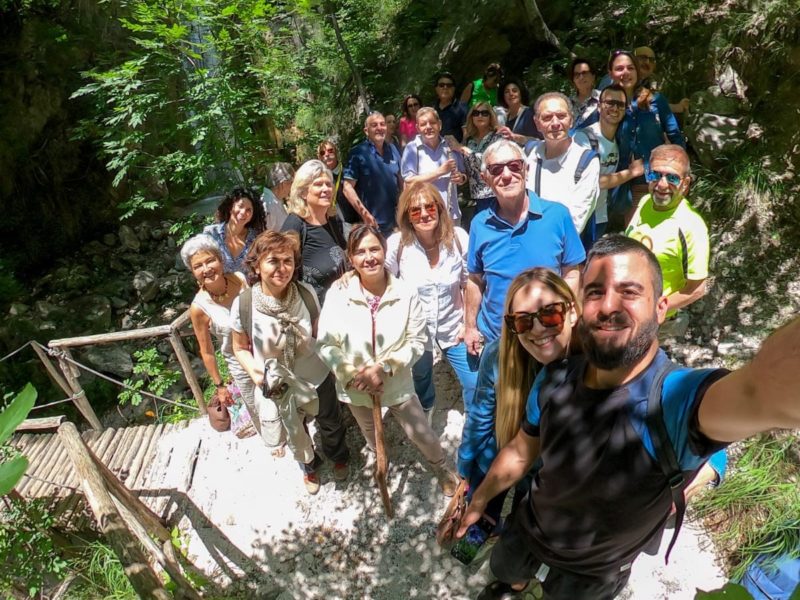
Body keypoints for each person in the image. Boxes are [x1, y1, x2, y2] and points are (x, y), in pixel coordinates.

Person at [462, 234, 800, 600]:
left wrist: (705, 473)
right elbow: (520, 450)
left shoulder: (672, 398)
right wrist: (478, 500)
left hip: (593, 570)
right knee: (505, 575)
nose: (608, 305)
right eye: (594, 291)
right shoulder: (555, 376)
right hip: (529, 530)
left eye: (629, 291)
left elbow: (759, 390)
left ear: (661, 307)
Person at [316, 225, 459, 496]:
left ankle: (439, 466)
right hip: (355, 386)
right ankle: (381, 458)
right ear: (350, 258)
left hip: (396, 383)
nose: (369, 257)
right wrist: (350, 374)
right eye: (360, 252)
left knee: (421, 432)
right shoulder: (338, 293)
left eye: (374, 249)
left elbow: (417, 341)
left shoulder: (404, 293)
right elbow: (326, 343)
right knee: (370, 430)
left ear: (385, 251)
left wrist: (385, 368)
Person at [458, 267, 579, 526]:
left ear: (572, 312)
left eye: (549, 315)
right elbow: (480, 417)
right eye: (523, 321)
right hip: (505, 459)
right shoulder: (498, 355)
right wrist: (465, 466)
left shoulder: (595, 368)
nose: (536, 329)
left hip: (547, 480)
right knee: (485, 529)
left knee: (518, 527)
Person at [232, 231, 350, 495]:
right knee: (295, 428)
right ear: (257, 265)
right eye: (273, 260)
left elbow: (320, 332)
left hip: (316, 375)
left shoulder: (305, 293)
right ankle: (309, 466)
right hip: (279, 385)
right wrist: (256, 374)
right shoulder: (245, 304)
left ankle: (338, 454)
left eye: (288, 261)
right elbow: (239, 348)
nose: (281, 268)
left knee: (330, 420)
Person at [464, 138, 585, 352]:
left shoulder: (557, 215)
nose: (507, 175)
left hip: (547, 334)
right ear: (485, 178)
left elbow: (572, 272)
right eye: (496, 169)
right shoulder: (479, 224)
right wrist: (470, 327)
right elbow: (474, 280)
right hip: (498, 340)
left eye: (514, 166)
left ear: (526, 169)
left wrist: (565, 313)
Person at [384, 182, 477, 421]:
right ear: (407, 216)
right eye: (416, 210)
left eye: (430, 207)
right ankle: (427, 403)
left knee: (473, 381)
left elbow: (469, 283)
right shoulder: (398, 245)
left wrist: (468, 324)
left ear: (440, 209)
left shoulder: (459, 238)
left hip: (452, 324)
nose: (424, 214)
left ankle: (475, 416)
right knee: (421, 373)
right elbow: (380, 280)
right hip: (416, 330)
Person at [625, 144, 709, 338]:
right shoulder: (646, 201)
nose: (662, 184)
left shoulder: (690, 226)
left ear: (685, 184)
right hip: (627, 308)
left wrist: (654, 312)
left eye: (672, 178)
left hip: (655, 322)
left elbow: (697, 289)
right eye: (655, 175)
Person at [182, 234, 255, 429]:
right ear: (193, 273)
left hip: (264, 350)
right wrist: (220, 386)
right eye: (198, 266)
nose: (206, 269)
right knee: (257, 408)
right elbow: (206, 352)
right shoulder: (198, 308)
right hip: (240, 365)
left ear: (220, 259)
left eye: (210, 260)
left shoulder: (239, 280)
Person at [607, 50, 685, 224]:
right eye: (619, 69)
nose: (625, 73)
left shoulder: (656, 100)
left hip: (660, 179)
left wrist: (682, 169)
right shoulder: (608, 106)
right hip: (627, 184)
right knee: (637, 237)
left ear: (637, 72)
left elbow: (675, 136)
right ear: (610, 73)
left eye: (630, 68)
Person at [524, 92, 600, 238]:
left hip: (563, 249)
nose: (555, 123)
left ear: (571, 120)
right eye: (547, 117)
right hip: (527, 243)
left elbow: (576, 220)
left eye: (561, 116)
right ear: (537, 123)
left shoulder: (585, 161)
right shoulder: (528, 154)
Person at [576, 84, 645, 241]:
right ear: (599, 107)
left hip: (600, 216)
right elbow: (593, 181)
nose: (615, 108)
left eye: (620, 104)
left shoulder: (620, 141)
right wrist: (631, 173)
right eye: (610, 103)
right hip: (579, 215)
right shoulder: (584, 138)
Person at [281, 160, 348, 306]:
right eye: (318, 184)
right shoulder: (295, 224)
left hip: (339, 308)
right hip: (309, 313)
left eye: (329, 184)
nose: (326, 189)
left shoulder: (333, 220)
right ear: (303, 192)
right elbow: (282, 271)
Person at [401, 107, 466, 226]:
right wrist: (440, 171)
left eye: (432, 122)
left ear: (439, 124)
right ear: (418, 128)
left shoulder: (450, 144)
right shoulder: (412, 149)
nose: (428, 127)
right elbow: (409, 181)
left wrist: (461, 178)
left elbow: (463, 173)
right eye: (423, 124)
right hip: (425, 217)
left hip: (452, 214)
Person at [342, 112, 404, 237]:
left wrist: (403, 209)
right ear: (366, 130)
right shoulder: (357, 153)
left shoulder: (393, 149)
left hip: (396, 224)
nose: (379, 128)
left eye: (382, 124)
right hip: (373, 225)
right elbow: (347, 188)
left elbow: (401, 181)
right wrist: (365, 215)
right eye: (374, 125)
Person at [446, 102, 503, 214]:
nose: (480, 116)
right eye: (476, 113)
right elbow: (466, 168)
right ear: (471, 117)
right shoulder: (468, 140)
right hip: (471, 199)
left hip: (493, 195)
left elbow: (489, 163)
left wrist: (461, 148)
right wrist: (462, 177)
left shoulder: (498, 138)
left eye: (484, 113)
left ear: (490, 116)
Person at [203, 188, 267, 274]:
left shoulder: (256, 239)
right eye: (240, 206)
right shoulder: (211, 234)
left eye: (249, 210)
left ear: (253, 215)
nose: (243, 212)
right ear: (230, 207)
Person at [317, 140, 359, 240]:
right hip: (331, 227)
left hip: (353, 225)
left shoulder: (348, 174)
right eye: (323, 153)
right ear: (319, 158)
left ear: (336, 153)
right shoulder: (317, 180)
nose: (327, 154)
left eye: (330, 151)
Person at [633, 46, 690, 115]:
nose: (647, 62)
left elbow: (654, 103)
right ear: (632, 60)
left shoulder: (650, 82)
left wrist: (680, 107)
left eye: (651, 60)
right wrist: (678, 107)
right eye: (643, 58)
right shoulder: (623, 79)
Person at [496, 77, 541, 147]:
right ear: (503, 96)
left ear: (521, 94)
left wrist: (514, 137)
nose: (511, 94)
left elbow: (539, 141)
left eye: (514, 90)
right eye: (507, 92)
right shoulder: (504, 118)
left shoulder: (529, 114)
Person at [433, 72, 468, 143]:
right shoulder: (431, 109)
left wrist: (461, 149)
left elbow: (466, 134)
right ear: (436, 89)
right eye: (441, 85)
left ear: (454, 89)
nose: (445, 87)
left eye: (449, 85)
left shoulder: (462, 108)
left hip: (455, 151)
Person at [568, 58, 601, 130]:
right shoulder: (566, 104)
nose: (581, 77)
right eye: (576, 74)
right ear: (573, 80)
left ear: (593, 77)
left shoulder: (603, 99)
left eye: (584, 73)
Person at [260, 162, 293, 231]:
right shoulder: (268, 206)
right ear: (284, 184)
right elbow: (265, 237)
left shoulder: (276, 201)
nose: (292, 187)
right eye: (291, 183)